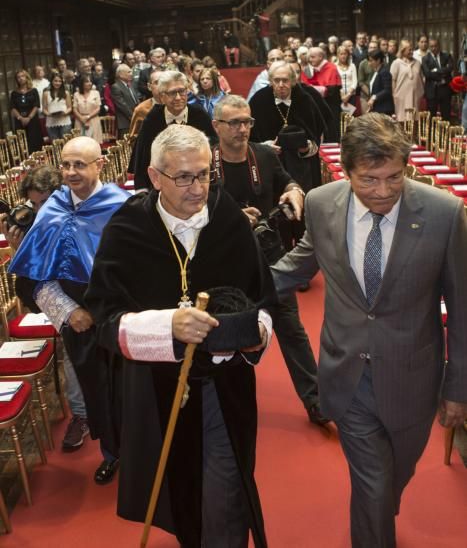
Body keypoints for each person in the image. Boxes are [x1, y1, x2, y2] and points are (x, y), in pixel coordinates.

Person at [271, 113, 467, 547]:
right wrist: (237, 291)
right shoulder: (322, 203)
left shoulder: (444, 213)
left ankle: (375, 515)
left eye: (394, 177)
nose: (383, 192)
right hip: (346, 375)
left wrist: (459, 387)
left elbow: (463, 305)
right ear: (346, 170)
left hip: (414, 377)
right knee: (374, 484)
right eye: (369, 180)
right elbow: (297, 264)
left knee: (395, 477)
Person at [85, 125, 275, 546]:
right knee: (180, 495)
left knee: (225, 498)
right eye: (183, 177)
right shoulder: (128, 228)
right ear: (154, 177)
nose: (197, 188)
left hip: (225, 388)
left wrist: (255, 333)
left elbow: (262, 299)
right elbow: (103, 320)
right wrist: (165, 325)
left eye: (205, 174)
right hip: (154, 391)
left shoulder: (228, 218)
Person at [10, 137, 129, 482]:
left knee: (130, 387)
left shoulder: (121, 205)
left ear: (99, 165)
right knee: (95, 389)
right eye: (66, 165)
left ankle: (141, 451)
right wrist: (68, 312)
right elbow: (33, 280)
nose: (71, 172)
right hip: (77, 320)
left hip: (119, 313)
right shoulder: (53, 207)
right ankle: (112, 452)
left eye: (80, 164)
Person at [212, 95, 326, 425]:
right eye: (234, 123)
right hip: (226, 260)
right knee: (230, 333)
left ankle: (315, 399)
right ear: (216, 126)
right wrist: (231, 217)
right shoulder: (205, 160)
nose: (242, 129)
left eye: (247, 122)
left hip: (270, 254)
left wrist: (294, 190)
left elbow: (285, 180)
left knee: (291, 328)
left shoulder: (262, 153)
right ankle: (229, 407)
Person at [0, 165, 90, 452]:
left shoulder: (79, 221)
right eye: (34, 204)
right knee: (74, 356)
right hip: (60, 307)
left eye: (45, 201)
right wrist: (20, 250)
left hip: (89, 302)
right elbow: (29, 289)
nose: (40, 210)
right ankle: (81, 414)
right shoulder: (36, 229)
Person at [250, 61, 330, 192]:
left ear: (293, 81)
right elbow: (249, 139)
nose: (281, 85)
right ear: (270, 81)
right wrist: (265, 147)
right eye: (276, 80)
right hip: (269, 165)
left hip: (301, 166)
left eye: (285, 80)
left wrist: (307, 148)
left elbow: (316, 135)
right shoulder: (259, 99)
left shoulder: (305, 99)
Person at [132, 70, 215, 190]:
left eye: (182, 91)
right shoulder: (152, 119)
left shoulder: (200, 115)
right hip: (162, 187)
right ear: (162, 97)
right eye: (172, 93)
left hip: (197, 184)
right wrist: (141, 192)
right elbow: (142, 161)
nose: (178, 97)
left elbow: (213, 150)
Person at [390, 39, 425, 122]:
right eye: (409, 50)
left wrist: (421, 92)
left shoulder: (417, 63)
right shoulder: (396, 63)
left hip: (415, 96)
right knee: (402, 119)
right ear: (402, 50)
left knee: (415, 119)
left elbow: (421, 78)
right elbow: (393, 80)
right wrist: (394, 94)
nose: (412, 51)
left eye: (412, 49)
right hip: (401, 97)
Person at [10, 69, 43, 153]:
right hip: (19, 120)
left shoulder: (33, 91)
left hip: (32, 120)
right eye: (18, 77)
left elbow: (36, 105)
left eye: (22, 76)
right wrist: (20, 118)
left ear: (26, 77)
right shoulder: (14, 93)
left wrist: (29, 117)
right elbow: (13, 107)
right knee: (22, 143)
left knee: (34, 141)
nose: (20, 78)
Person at [421, 38, 454, 120]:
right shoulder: (425, 59)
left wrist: (436, 70)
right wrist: (442, 75)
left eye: (435, 46)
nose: (433, 48)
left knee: (446, 115)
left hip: (445, 89)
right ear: (429, 47)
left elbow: (450, 68)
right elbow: (427, 74)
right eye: (431, 46)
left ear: (439, 46)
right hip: (432, 91)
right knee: (431, 116)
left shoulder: (447, 56)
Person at [128, 69, 161, 144]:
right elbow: (132, 139)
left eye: (164, 83)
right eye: (157, 82)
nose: (161, 86)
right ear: (149, 86)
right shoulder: (141, 109)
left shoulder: (174, 105)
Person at [110, 63, 138, 138]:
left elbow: (136, 102)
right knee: (126, 147)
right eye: (129, 72)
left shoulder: (130, 85)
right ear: (121, 75)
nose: (131, 74)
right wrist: (134, 117)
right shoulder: (116, 87)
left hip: (135, 120)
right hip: (125, 123)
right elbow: (123, 106)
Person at [43, 72, 72, 140]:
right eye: (55, 81)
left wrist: (65, 113)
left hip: (64, 121)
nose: (57, 83)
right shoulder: (46, 93)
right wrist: (49, 114)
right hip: (51, 122)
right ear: (51, 81)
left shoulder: (66, 93)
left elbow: (70, 107)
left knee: (66, 144)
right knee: (55, 145)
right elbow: (44, 109)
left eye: (59, 81)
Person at [73, 75, 103, 142]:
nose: (89, 83)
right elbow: (74, 109)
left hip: (93, 119)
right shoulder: (76, 94)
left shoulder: (96, 93)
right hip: (80, 120)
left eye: (90, 81)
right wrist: (82, 119)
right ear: (82, 83)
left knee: (94, 143)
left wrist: (88, 117)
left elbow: (98, 108)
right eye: (87, 81)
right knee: (80, 143)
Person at [366, 50, 394, 115]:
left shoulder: (384, 72)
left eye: (371, 60)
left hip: (384, 108)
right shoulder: (375, 72)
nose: (369, 63)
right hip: (377, 107)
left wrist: (374, 97)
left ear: (378, 60)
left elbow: (387, 90)